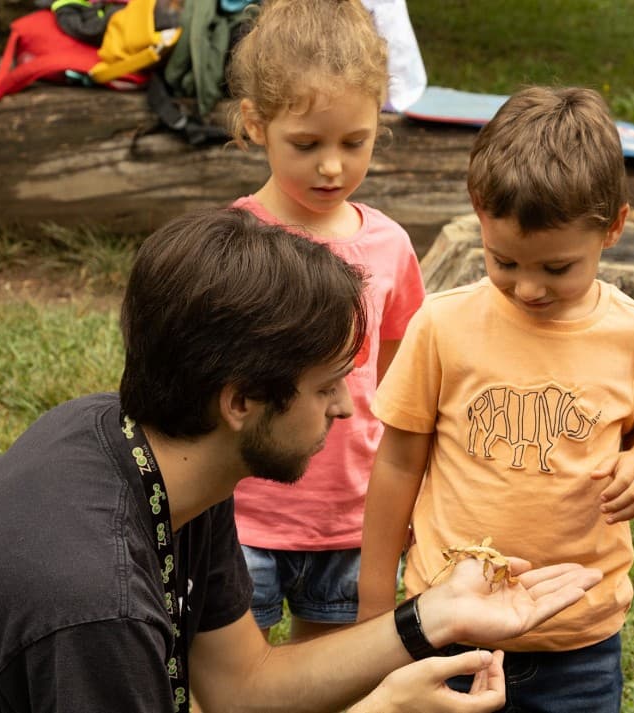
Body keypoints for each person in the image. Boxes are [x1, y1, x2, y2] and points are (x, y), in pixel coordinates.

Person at [0, 207, 604, 713]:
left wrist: (433, 616)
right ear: (241, 402)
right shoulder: (97, 603)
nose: (347, 407)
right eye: (325, 384)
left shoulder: (144, 451)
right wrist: (380, 709)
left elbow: (241, 684)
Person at [357, 85, 634, 712]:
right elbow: (398, 462)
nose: (527, 288)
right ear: (478, 210)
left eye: (556, 269)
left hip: (579, 636)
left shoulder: (632, 332)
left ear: (612, 227)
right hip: (451, 625)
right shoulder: (443, 326)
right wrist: (375, 609)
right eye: (504, 261)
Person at [225, 0, 426, 641]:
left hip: (352, 517)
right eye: (306, 145)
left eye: (354, 142)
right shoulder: (229, 241)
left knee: (329, 680)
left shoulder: (390, 246)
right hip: (240, 514)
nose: (333, 166)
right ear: (256, 124)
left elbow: (402, 385)